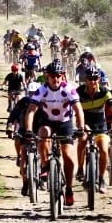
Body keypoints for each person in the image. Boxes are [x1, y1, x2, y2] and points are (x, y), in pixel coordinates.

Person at [24, 61, 86, 206]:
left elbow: (78, 109)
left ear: (62, 76)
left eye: (58, 75)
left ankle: (69, 189)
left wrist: (81, 127)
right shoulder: (42, 90)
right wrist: (27, 130)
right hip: (49, 121)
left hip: (65, 122)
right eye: (52, 76)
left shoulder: (69, 90)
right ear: (47, 76)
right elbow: (31, 111)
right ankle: (45, 166)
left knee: (68, 156)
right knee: (43, 132)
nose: (55, 78)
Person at [75, 66, 112, 194]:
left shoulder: (105, 91)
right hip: (85, 123)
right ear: (85, 79)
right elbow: (74, 108)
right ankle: (80, 169)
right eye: (89, 79)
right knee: (82, 140)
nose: (92, 82)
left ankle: (101, 179)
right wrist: (80, 124)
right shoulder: (78, 92)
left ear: (99, 79)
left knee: (104, 149)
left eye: (95, 79)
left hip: (101, 125)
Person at [7, 82, 44, 196]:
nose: (33, 96)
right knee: (23, 161)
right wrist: (9, 125)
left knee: (45, 152)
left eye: (35, 93)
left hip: (39, 131)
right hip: (25, 131)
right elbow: (13, 114)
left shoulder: (44, 103)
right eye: (31, 93)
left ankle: (44, 174)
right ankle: (25, 183)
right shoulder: (23, 102)